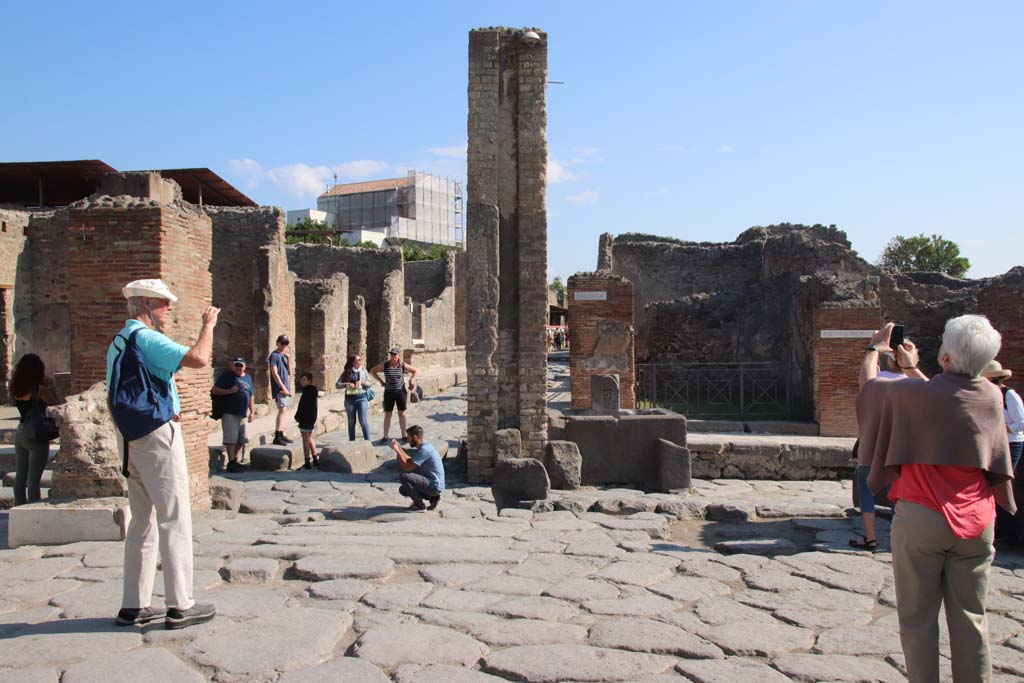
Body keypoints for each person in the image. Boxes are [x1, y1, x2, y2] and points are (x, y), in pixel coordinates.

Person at [858, 317, 1014, 683]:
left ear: (944, 357)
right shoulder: (992, 396)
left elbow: (869, 386)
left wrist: (874, 349)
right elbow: (949, 398)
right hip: (977, 522)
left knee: (918, 620)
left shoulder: (912, 394)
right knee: (972, 619)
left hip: (921, 517)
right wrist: (911, 368)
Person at [106, 278, 217, 630]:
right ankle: (181, 604)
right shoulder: (147, 338)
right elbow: (199, 358)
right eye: (163, 302)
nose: (169, 308)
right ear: (145, 305)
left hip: (130, 438)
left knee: (141, 519)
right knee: (174, 515)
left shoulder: (119, 341)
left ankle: (134, 604)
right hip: (157, 435)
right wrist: (208, 325)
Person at [850, 355, 905, 551]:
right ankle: (899, 539)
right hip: (898, 446)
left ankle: (870, 537)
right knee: (898, 491)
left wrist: (873, 351)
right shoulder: (915, 383)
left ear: (889, 361)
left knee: (867, 490)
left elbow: (865, 377)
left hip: (872, 444)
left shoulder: (875, 381)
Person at [9, 353, 63, 505]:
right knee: (33, 480)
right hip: (35, 434)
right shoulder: (39, 390)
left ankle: (19, 507)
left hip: (21, 432)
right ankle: (33, 509)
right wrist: (52, 386)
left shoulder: (15, 388)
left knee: (20, 478)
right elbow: (58, 406)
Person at [983, 360, 1024, 542]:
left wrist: (999, 428)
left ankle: (1010, 530)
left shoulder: (1010, 395)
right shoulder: (987, 396)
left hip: (1011, 444)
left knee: (1001, 484)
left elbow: (1021, 423)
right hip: (995, 443)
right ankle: (1000, 527)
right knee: (990, 484)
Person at [211, 356, 254, 473]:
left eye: (240, 365)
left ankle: (235, 460)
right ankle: (231, 462)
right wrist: (230, 391)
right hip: (230, 412)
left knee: (241, 438)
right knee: (231, 438)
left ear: (245, 366)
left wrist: (252, 412)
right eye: (236, 365)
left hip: (242, 413)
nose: (238, 367)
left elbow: (251, 396)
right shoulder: (227, 376)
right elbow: (215, 390)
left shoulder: (248, 378)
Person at [371, 346, 419, 445]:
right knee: (388, 414)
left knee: (401, 413)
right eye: (392, 354)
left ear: (398, 355)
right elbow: (373, 371)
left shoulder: (402, 365)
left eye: (395, 354)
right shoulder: (385, 365)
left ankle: (403, 435)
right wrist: (381, 381)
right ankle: (385, 436)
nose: (393, 356)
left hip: (400, 392)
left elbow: (415, 371)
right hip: (389, 392)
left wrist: (412, 380)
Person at [391, 425, 445, 511]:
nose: (408, 440)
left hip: (434, 485)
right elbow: (410, 460)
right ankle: (433, 498)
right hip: (434, 485)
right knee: (403, 489)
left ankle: (420, 506)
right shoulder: (425, 446)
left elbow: (407, 467)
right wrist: (400, 449)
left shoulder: (424, 450)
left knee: (403, 476)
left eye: (409, 437)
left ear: (415, 437)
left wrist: (397, 451)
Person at [337, 354, 372, 441]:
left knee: (363, 420)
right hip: (350, 399)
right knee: (351, 422)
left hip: (362, 397)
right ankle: (352, 442)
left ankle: (368, 442)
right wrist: (347, 384)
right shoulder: (347, 372)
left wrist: (362, 382)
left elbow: (369, 383)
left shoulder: (363, 370)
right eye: (358, 360)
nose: (360, 361)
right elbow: (337, 385)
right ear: (353, 362)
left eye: (360, 359)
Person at [269, 334, 293, 446]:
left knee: (284, 410)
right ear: (277, 343)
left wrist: (288, 359)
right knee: (282, 410)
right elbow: (274, 373)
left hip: (285, 386)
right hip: (280, 388)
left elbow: (289, 372)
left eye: (286, 343)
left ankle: (281, 433)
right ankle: (277, 436)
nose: (284, 345)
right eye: (282, 343)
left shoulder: (283, 356)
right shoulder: (274, 356)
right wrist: (282, 387)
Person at [294, 372, 319, 469]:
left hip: (305, 418)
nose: (302, 381)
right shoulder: (312, 391)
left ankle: (307, 461)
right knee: (310, 438)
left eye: (304, 379)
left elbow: (303, 407)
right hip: (311, 418)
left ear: (309, 381)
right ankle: (315, 459)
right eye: (301, 379)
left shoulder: (307, 392)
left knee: (305, 440)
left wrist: (298, 417)